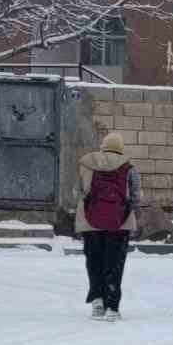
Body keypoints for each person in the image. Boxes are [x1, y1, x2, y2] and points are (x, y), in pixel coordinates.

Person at [76, 130, 140, 321]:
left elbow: (77, 192)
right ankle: (112, 308)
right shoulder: (129, 168)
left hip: (90, 222)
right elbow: (136, 196)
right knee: (114, 264)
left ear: (103, 146)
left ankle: (97, 303)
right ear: (121, 148)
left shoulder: (87, 165)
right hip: (119, 224)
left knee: (94, 262)